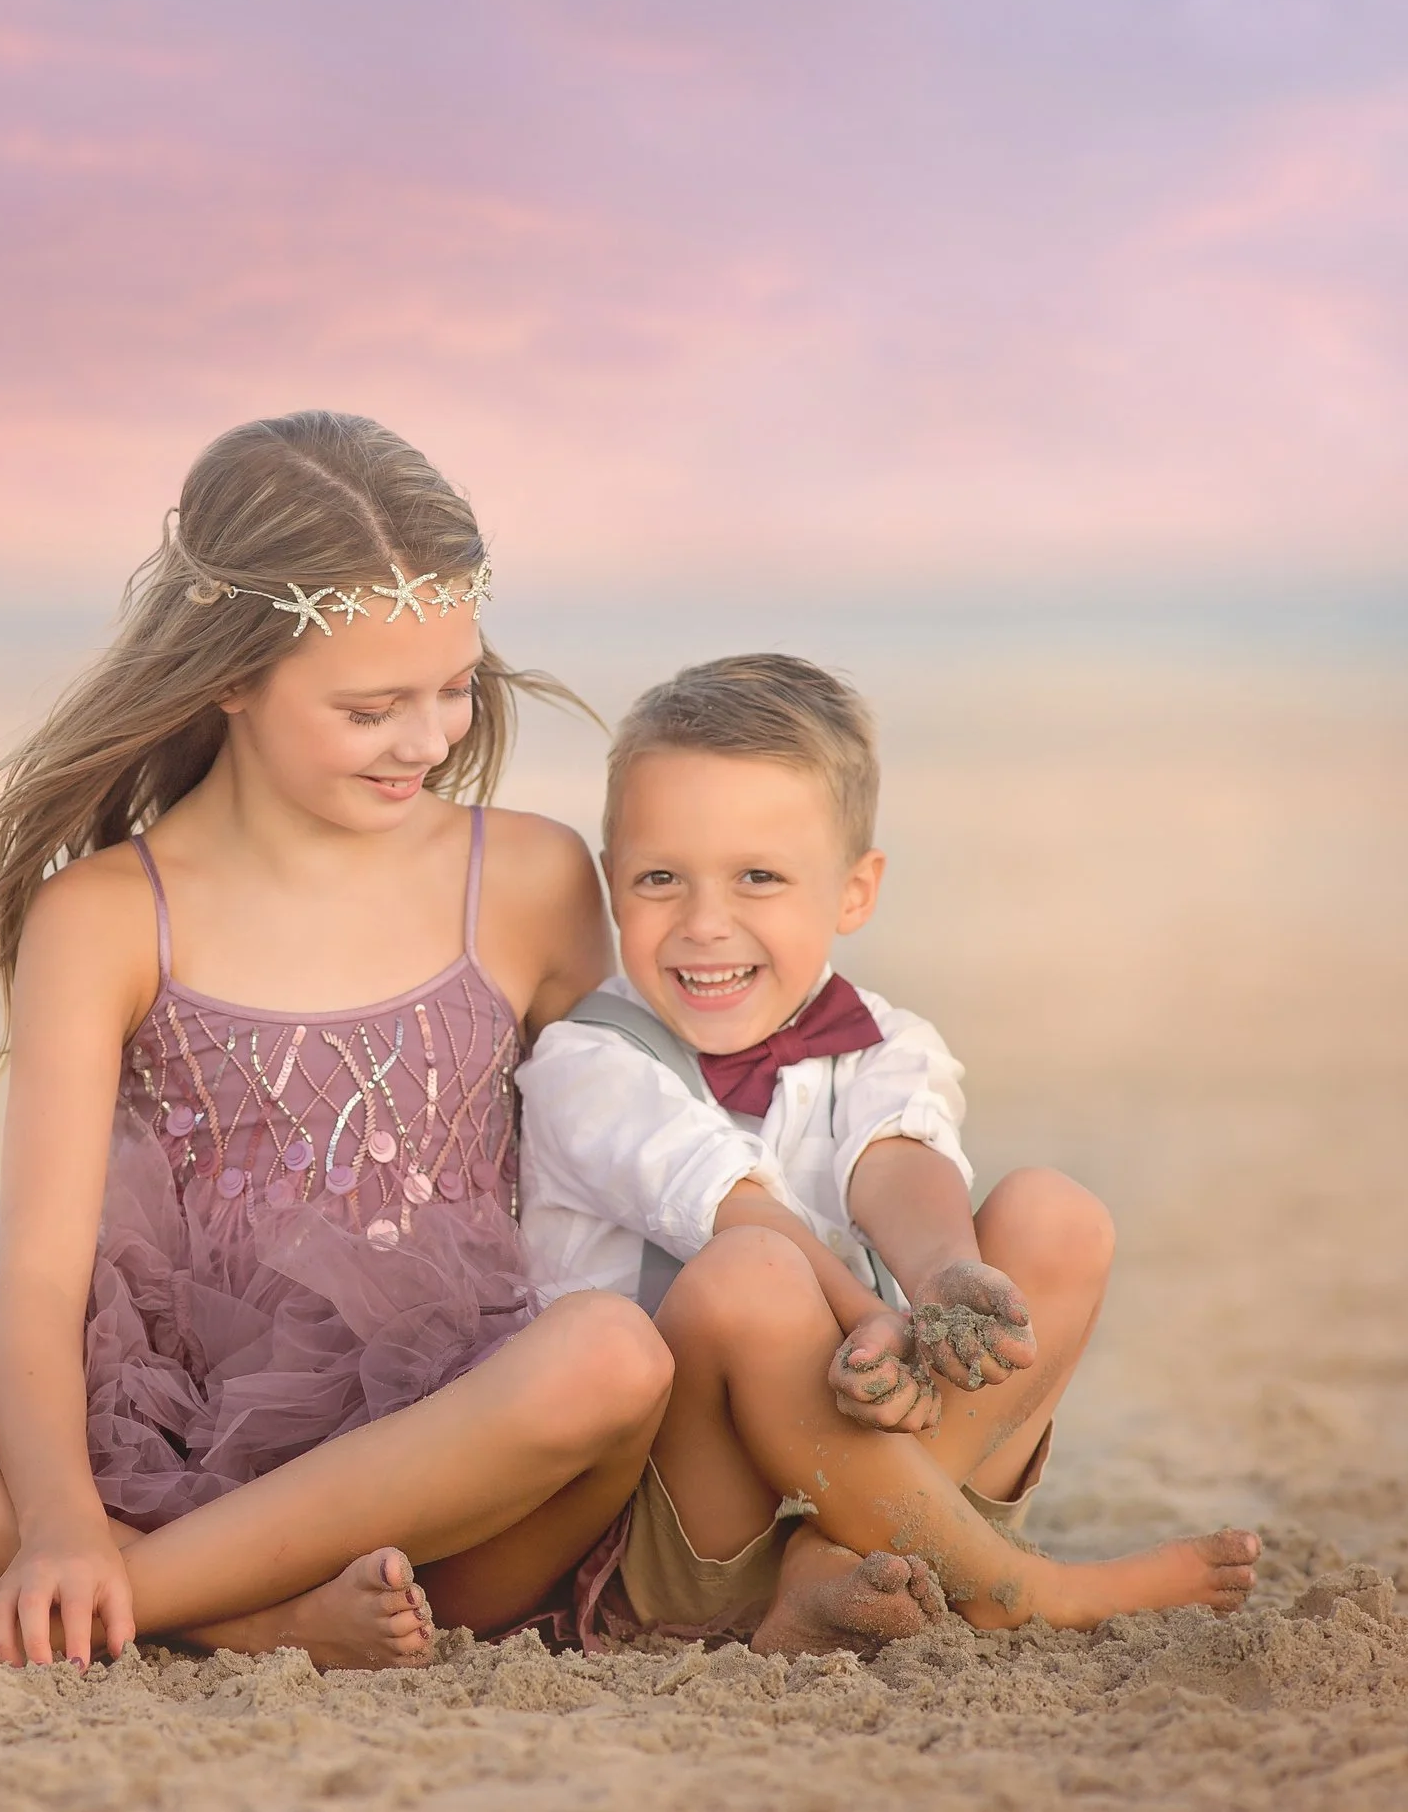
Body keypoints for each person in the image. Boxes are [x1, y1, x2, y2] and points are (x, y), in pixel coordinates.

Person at [0, 411, 673, 1673]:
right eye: (371, 706)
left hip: (429, 1478)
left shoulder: (528, 877)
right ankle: (230, 1617)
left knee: (610, 1357)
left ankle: (9, 1621)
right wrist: (59, 1522)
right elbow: (43, 1277)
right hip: (142, 1419)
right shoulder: (110, 915)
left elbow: (624, 1153)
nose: (429, 738)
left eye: (455, 688)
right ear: (230, 676)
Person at [519, 654, 1260, 1654]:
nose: (703, 922)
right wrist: (870, 1317)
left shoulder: (881, 1040)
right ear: (613, 883)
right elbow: (736, 1207)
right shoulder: (585, 1062)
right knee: (751, 1274)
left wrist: (939, 1280)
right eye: (660, 878)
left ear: (854, 890)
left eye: (758, 877)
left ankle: (832, 1562)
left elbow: (898, 1158)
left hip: (856, 1479)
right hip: (686, 1523)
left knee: (1054, 1215)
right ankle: (1005, 1583)